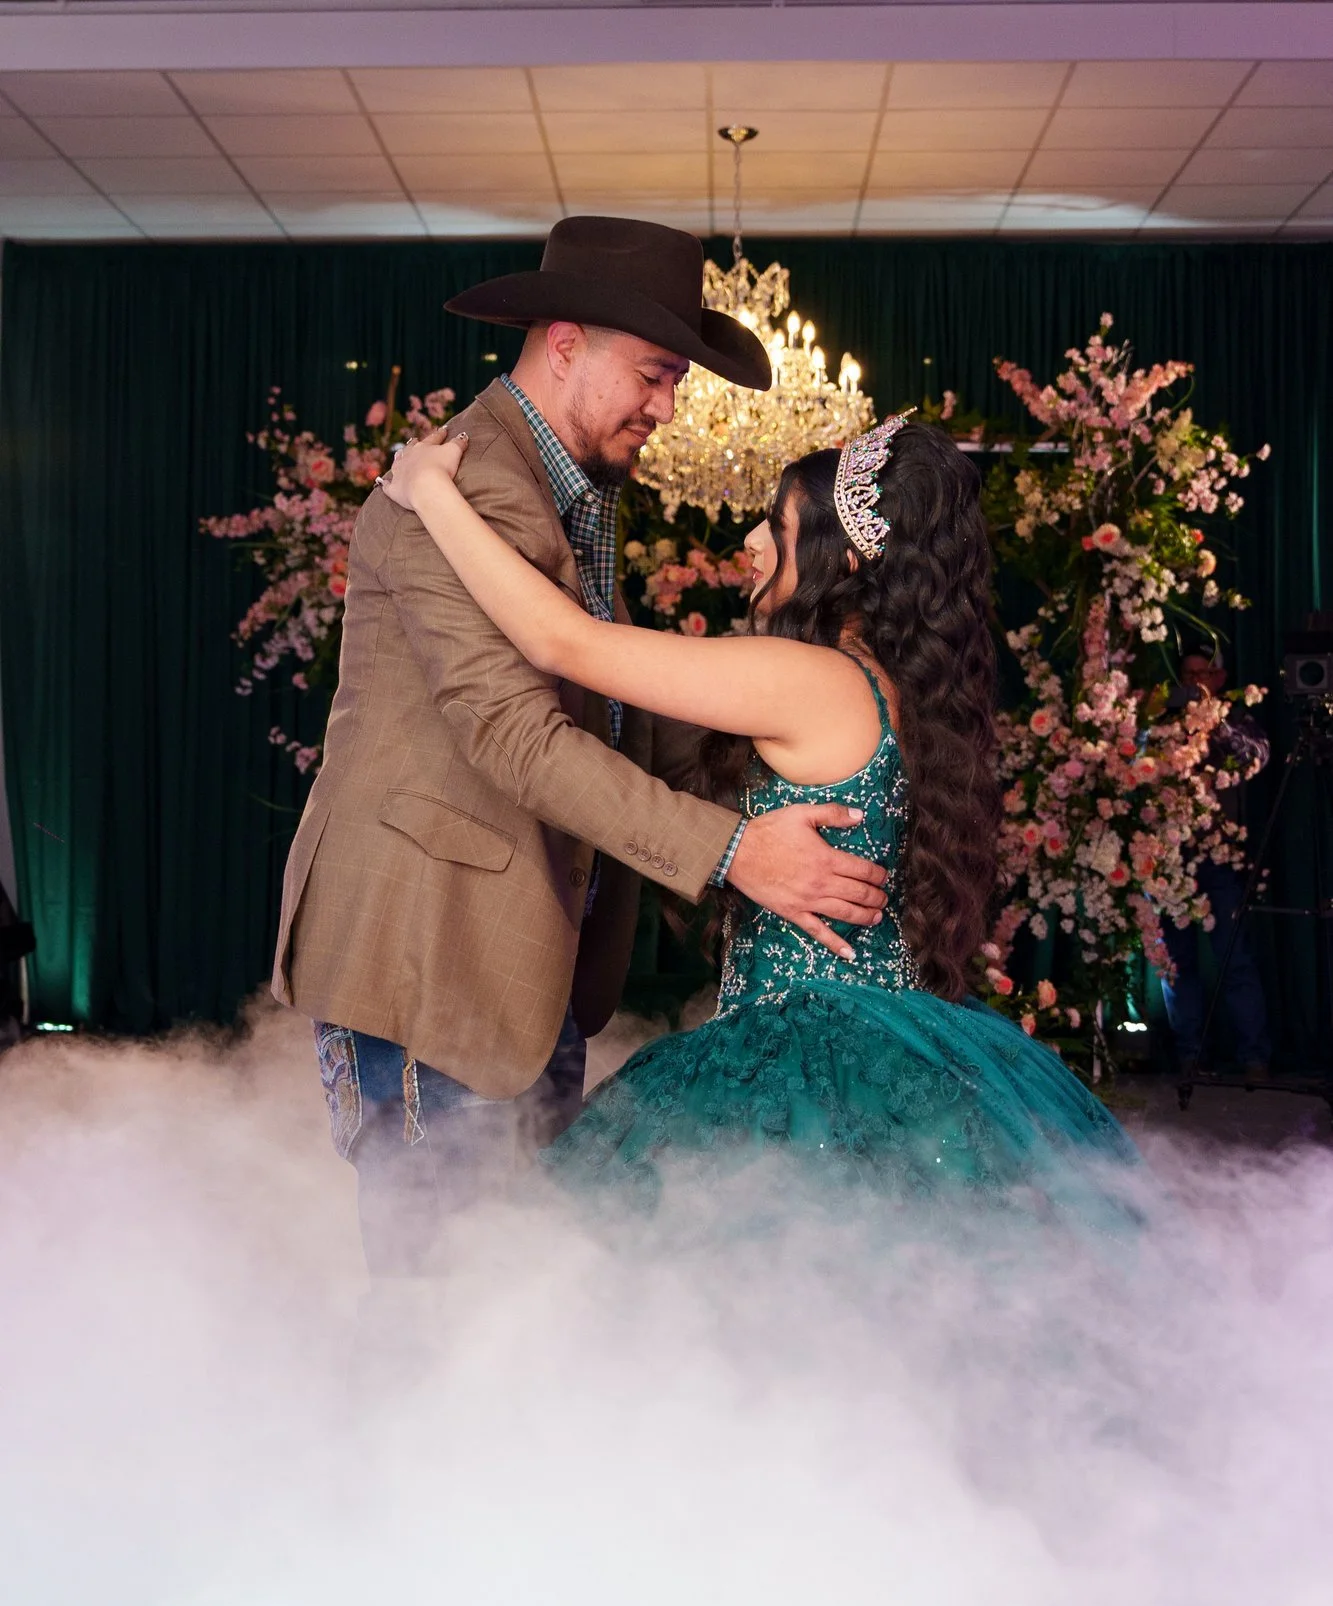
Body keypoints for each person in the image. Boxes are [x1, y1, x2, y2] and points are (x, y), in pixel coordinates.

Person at [270, 218, 888, 1279]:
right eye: (654, 374)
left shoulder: (572, 485)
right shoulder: (459, 490)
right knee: (440, 1289)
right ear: (565, 344)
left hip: (525, 957)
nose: (668, 407)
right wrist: (735, 851)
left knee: (512, 1293)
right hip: (436, 950)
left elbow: (604, 698)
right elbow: (515, 732)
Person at [380, 412, 1140, 1223]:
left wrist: (428, 489)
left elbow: (559, 642)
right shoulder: (900, 691)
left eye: (774, 525)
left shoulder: (808, 679)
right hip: (905, 1042)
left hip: (802, 1059)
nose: (748, 541)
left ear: (844, 559)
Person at [1160, 648, 1272, 1084]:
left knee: (1234, 958)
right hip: (1169, 859)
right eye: (1187, 675)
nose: (1194, 683)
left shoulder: (1236, 720)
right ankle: (1188, 1055)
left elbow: (1255, 757)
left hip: (1219, 860)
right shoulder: (1163, 724)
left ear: (1220, 676)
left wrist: (1213, 722)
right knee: (1176, 963)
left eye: (1202, 674)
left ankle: (1254, 1058)